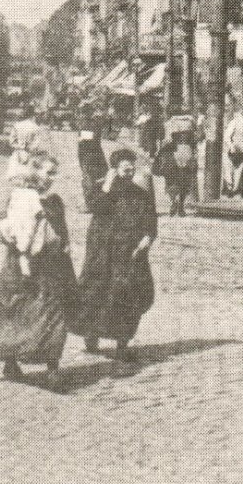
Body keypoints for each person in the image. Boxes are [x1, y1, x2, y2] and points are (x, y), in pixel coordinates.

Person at [0, 154, 78, 381]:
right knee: (17, 311)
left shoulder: (55, 201)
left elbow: (62, 231)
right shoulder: (21, 199)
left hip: (53, 265)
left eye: (54, 173)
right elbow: (11, 231)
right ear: (35, 173)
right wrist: (20, 250)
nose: (53, 178)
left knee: (54, 313)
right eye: (49, 172)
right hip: (24, 264)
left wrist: (66, 247)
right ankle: (10, 360)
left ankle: (53, 367)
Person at [73, 148, 157, 357]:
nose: (129, 173)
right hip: (103, 252)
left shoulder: (140, 192)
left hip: (130, 253)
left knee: (127, 294)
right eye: (124, 169)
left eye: (131, 168)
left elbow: (151, 216)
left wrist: (148, 236)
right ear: (115, 169)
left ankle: (122, 342)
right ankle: (90, 335)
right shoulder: (105, 188)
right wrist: (108, 187)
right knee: (96, 292)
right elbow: (96, 207)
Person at [156, 126, 197, 216]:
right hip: (174, 169)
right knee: (175, 187)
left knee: (182, 188)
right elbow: (162, 156)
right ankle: (176, 204)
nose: (183, 136)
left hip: (182, 169)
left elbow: (194, 157)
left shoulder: (191, 145)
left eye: (185, 134)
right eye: (180, 135)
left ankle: (179, 205)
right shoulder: (170, 145)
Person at [76, 119, 108, 213]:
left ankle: (90, 205)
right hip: (98, 156)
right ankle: (99, 203)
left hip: (89, 157)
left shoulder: (86, 126)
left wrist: (81, 159)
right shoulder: (95, 124)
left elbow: (83, 144)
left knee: (89, 181)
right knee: (99, 179)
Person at [222, 103, 243, 196]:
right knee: (229, 170)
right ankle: (230, 188)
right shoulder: (235, 122)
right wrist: (231, 146)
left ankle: (234, 190)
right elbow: (227, 136)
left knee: (238, 172)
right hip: (233, 151)